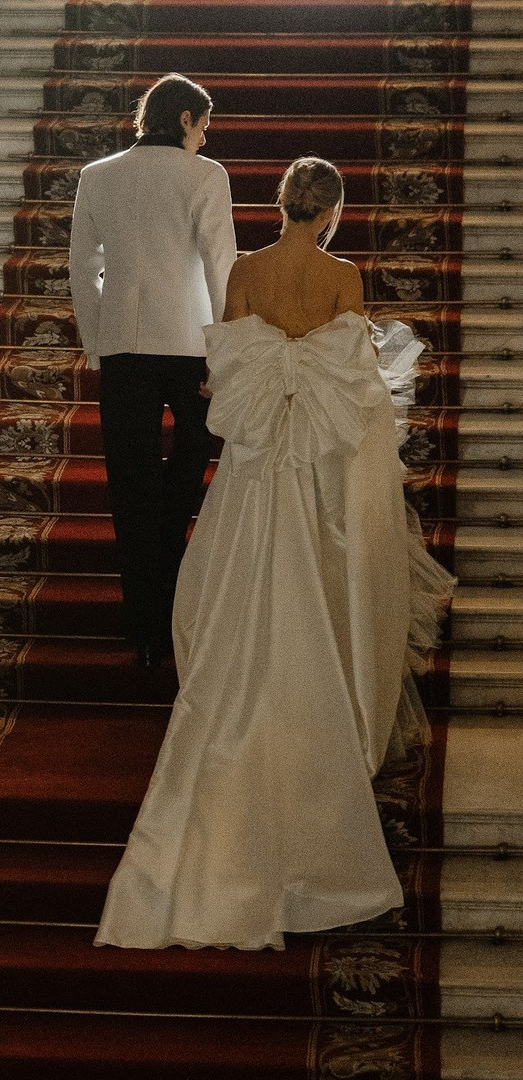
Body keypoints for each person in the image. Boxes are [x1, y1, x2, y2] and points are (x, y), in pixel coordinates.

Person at [95, 157, 455, 950]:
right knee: (320, 579)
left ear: (280, 205)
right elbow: (356, 387)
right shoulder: (344, 276)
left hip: (256, 465)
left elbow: (224, 374)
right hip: (312, 471)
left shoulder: (248, 271)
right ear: (330, 214)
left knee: (232, 582)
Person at [68, 73, 239, 668]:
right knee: (186, 472)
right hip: (190, 344)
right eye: (204, 127)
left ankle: (141, 627)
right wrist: (227, 355)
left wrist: (99, 343)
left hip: (123, 349)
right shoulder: (205, 176)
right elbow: (222, 269)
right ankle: (169, 600)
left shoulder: (98, 176)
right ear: (188, 120)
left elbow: (80, 269)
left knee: (129, 488)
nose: (203, 139)